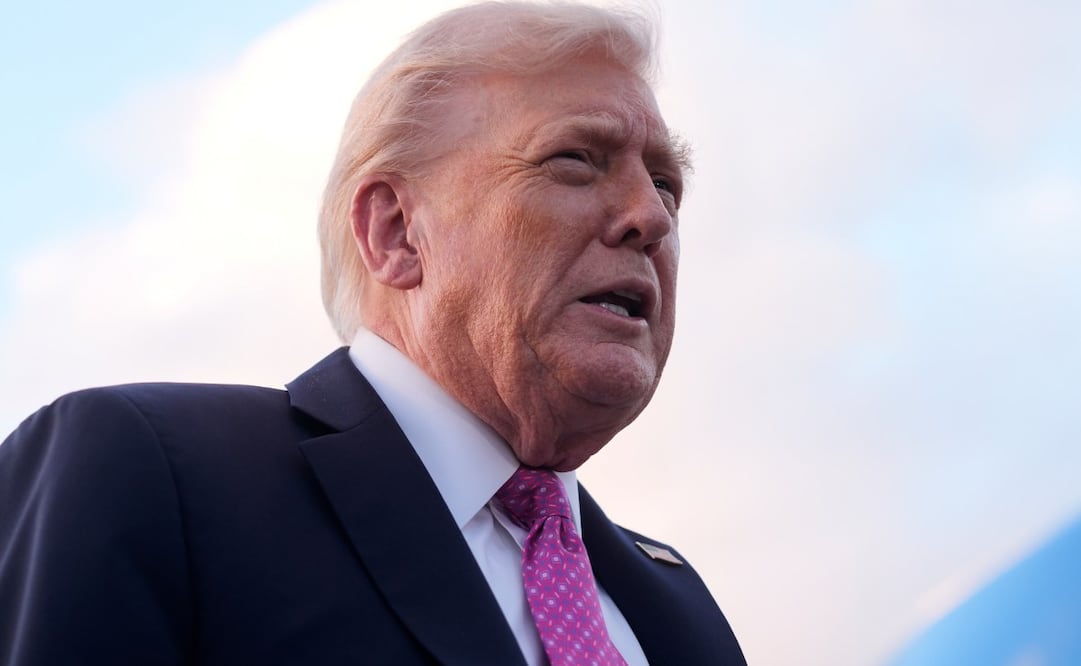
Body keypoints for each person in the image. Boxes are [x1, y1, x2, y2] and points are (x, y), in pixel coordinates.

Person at [0, 2, 746, 664]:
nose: (649, 216)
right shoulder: (155, 474)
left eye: (666, 185)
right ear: (395, 232)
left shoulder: (680, 608)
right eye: (575, 160)